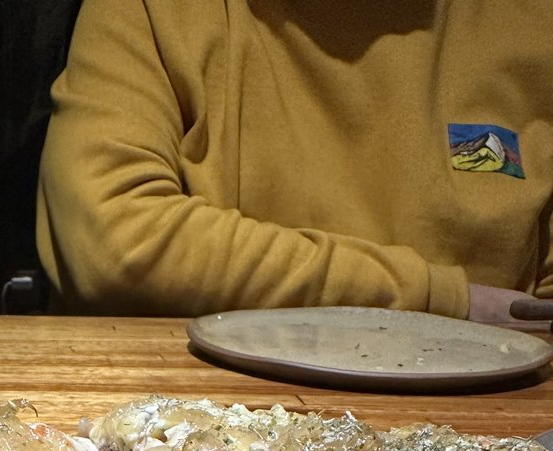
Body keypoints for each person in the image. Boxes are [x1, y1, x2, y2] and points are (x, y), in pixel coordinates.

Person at [36, 0, 553, 326]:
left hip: (487, 440)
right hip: (196, 427)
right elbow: (117, 241)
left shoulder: (531, 24)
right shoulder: (150, 9)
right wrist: (440, 301)